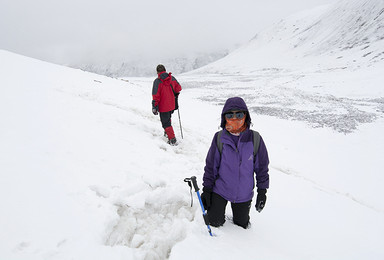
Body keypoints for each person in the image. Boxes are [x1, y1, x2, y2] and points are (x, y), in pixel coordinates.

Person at [201, 97, 270, 229]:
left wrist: (262, 191)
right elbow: (211, 166)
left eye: (239, 114)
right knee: (214, 222)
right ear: (224, 117)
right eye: (230, 114)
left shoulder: (255, 139)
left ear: (246, 116)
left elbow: (262, 168)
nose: (235, 118)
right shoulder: (219, 138)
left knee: (241, 226)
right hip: (220, 190)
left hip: (244, 193)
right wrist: (207, 189)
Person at [152, 64, 182, 145]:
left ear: (157, 72)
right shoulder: (172, 78)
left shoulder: (157, 81)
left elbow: (156, 96)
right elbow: (179, 88)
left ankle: (172, 140)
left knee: (166, 123)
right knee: (168, 119)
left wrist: (154, 106)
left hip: (163, 106)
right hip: (172, 105)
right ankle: (167, 133)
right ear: (165, 70)